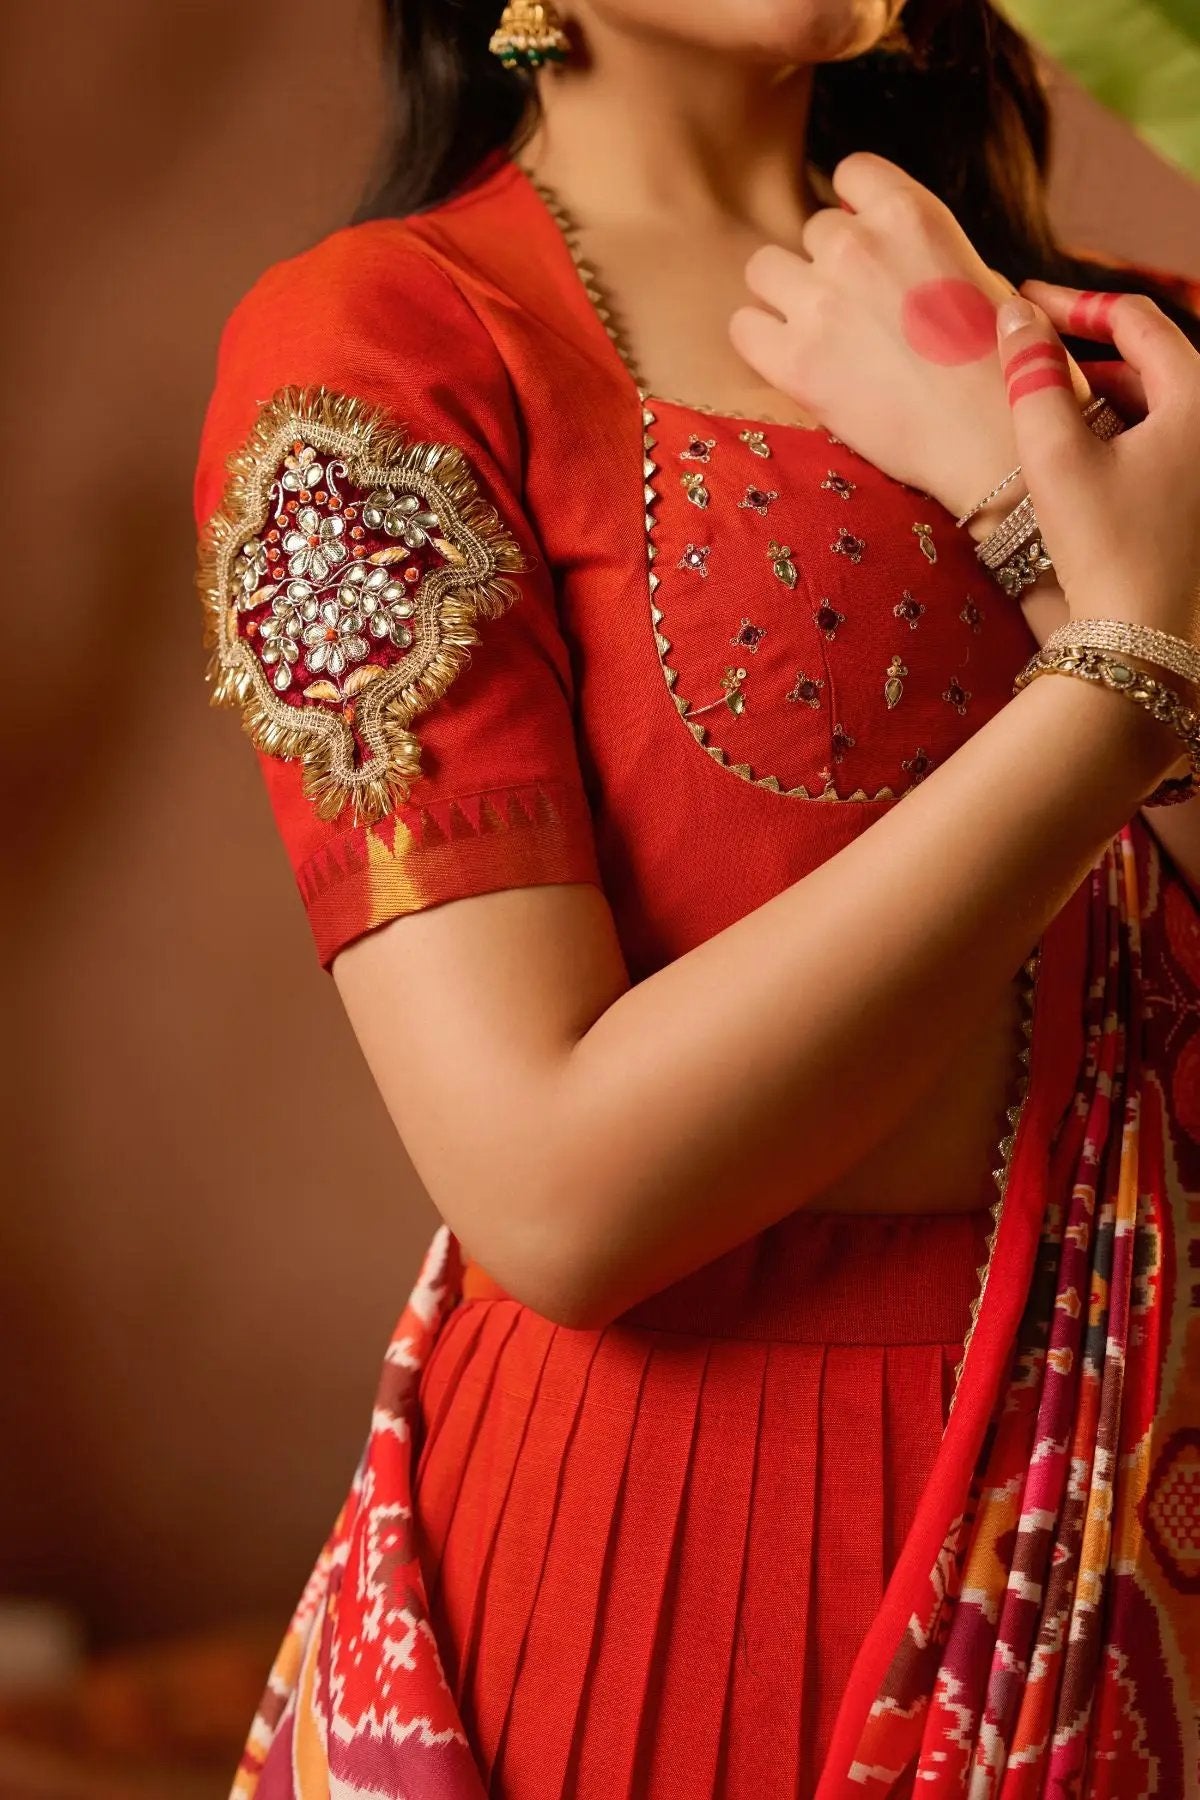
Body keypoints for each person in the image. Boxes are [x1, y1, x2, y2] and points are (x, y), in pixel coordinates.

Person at [193, 3, 1200, 1795]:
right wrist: (1116, 669)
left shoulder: (1142, 352)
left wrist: (1012, 475)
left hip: (1139, 1511)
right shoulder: (391, 347)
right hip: (680, 1577)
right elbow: (555, 1188)